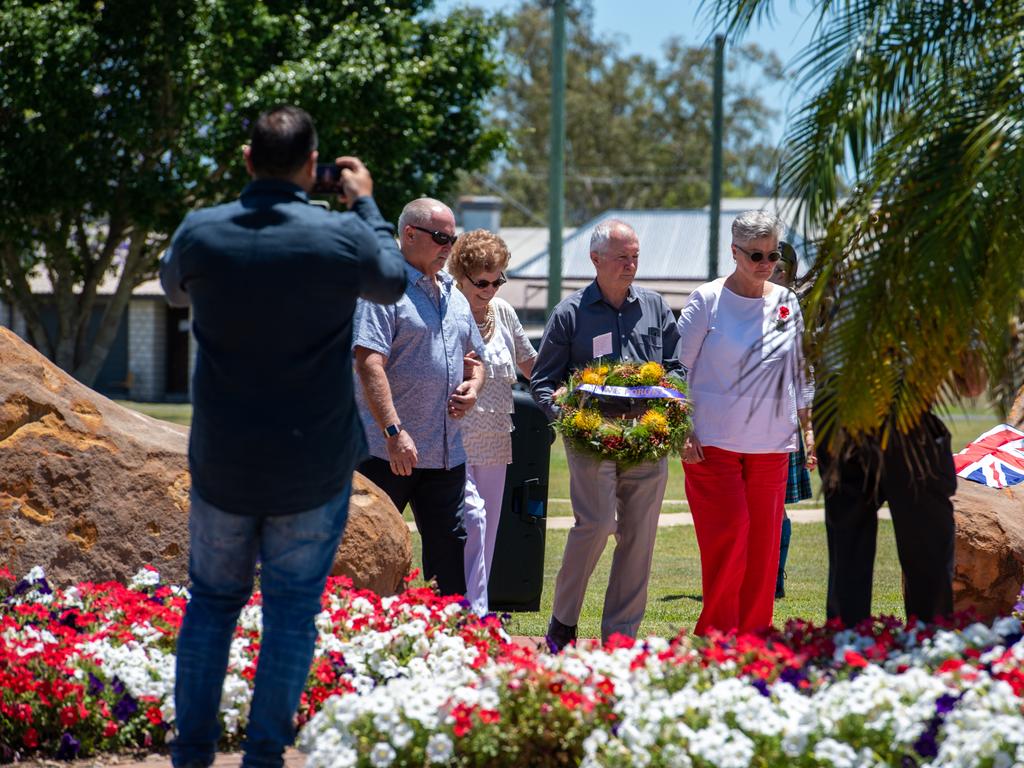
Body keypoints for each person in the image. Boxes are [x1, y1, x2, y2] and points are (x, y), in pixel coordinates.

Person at [159, 105, 406, 768]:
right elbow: (392, 280)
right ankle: (264, 756)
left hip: (223, 460)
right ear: (310, 168)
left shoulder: (201, 232)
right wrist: (366, 205)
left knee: (211, 605)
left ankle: (193, 755)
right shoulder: (342, 236)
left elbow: (171, 289)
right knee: (292, 615)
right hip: (310, 464)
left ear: (247, 160)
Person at [531, 219, 681, 650]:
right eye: (621, 257)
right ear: (595, 259)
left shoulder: (654, 306)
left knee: (639, 537)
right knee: (595, 525)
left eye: (634, 256)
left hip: (647, 436)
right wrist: (563, 409)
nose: (630, 264)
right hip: (591, 439)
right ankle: (563, 621)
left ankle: (620, 641)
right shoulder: (570, 313)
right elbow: (542, 382)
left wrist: (671, 395)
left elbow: (676, 366)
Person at [676, 210, 815, 636]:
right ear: (734, 252)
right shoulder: (707, 300)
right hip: (712, 442)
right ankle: (716, 637)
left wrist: (808, 430)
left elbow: (801, 370)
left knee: (764, 548)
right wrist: (682, 430)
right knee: (731, 534)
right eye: (755, 254)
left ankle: (755, 638)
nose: (765, 263)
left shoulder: (787, 303)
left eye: (773, 254)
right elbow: (675, 370)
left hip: (772, 444)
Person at [353, 198, 485, 597]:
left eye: (453, 238)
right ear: (409, 234)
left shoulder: (454, 294)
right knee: (372, 550)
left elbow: (475, 360)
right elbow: (368, 362)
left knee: (449, 551)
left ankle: (451, 640)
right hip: (387, 453)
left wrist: (473, 388)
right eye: (441, 237)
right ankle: (360, 637)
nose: (449, 247)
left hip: (445, 454)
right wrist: (394, 431)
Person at [818, 355, 987, 627]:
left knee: (847, 549)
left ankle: (844, 643)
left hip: (839, 410)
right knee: (927, 551)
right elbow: (973, 385)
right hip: (906, 417)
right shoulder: (942, 310)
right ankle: (928, 641)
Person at [447, 229, 537, 615]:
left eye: (499, 279)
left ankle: (470, 609)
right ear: (461, 276)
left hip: (498, 437)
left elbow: (531, 363)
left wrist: (569, 388)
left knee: (489, 532)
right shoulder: (447, 307)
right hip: (455, 435)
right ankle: (475, 613)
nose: (491, 288)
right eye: (482, 281)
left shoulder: (504, 313)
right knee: (474, 520)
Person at [768, 247, 815, 599]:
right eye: (767, 264)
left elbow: (803, 371)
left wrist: (809, 429)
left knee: (774, 507)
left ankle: (775, 577)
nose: (772, 273)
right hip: (741, 418)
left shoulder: (793, 308)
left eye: (781, 269)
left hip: (782, 418)